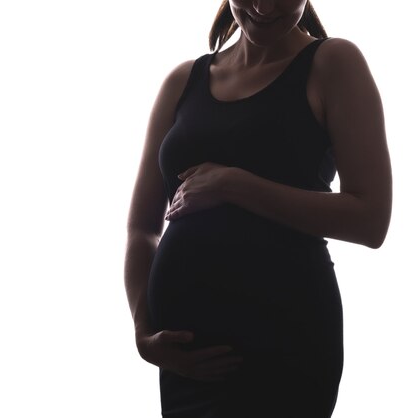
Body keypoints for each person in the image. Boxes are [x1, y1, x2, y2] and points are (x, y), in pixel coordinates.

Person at [124, 0, 392, 416]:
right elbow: (142, 228)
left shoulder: (333, 63)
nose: (265, 6)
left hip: (284, 345)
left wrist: (236, 185)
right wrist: (143, 333)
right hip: (187, 365)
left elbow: (371, 218)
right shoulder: (183, 81)